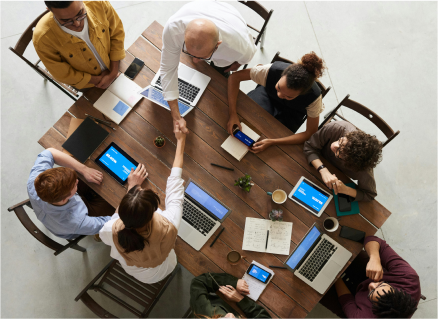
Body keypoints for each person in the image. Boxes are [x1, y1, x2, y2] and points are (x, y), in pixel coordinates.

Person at [99, 124, 186, 284]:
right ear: (153, 212)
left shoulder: (111, 229)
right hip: (163, 268)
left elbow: (111, 227)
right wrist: (181, 141)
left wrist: (131, 188)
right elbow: (175, 186)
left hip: (139, 273)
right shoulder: (169, 223)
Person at [160, 0, 257, 134]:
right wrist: (176, 116)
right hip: (201, 7)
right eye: (188, 52)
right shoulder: (173, 29)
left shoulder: (239, 47)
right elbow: (167, 70)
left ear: (218, 45)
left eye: (201, 57)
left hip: (229, 18)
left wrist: (236, 64)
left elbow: (246, 58)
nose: (194, 61)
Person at [227, 52, 326, 153]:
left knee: (273, 138)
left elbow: (310, 132)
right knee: (247, 118)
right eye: (279, 88)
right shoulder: (270, 71)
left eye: (288, 96)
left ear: (302, 94)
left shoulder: (314, 98)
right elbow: (234, 78)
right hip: (267, 95)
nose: (280, 95)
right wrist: (232, 114)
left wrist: (272, 142)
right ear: (282, 75)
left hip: (293, 112)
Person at [320, 236, 420, 319]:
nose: (371, 284)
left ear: (374, 308)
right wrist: (374, 258)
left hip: (354, 303)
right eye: (381, 284)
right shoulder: (408, 277)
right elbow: (372, 239)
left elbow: (347, 300)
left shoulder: (364, 317)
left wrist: (335, 274)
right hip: (368, 274)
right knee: (345, 246)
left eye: (371, 292)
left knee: (318, 288)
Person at [33, 0, 125, 90]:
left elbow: (117, 32)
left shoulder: (98, 2)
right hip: (90, 84)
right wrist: (98, 80)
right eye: (66, 21)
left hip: (116, 63)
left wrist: (113, 72)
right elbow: (62, 73)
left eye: (80, 13)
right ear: (49, 10)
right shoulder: (42, 39)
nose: (77, 24)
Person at [27, 148, 114, 240]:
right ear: (64, 199)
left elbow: (49, 152)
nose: (77, 181)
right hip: (76, 225)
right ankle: (97, 236)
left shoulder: (37, 181)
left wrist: (84, 170)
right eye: (75, 184)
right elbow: (111, 224)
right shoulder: (76, 222)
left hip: (57, 214)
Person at [303, 121, 383, 201]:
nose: (334, 145)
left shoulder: (363, 170)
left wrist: (345, 189)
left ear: (349, 162)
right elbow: (309, 146)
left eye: (339, 151)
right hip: (311, 164)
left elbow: (369, 195)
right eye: (340, 141)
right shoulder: (337, 128)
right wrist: (323, 170)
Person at [190, 273, 271, 319]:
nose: (230, 315)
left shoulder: (203, 313)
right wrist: (241, 300)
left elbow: (198, 283)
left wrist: (233, 282)